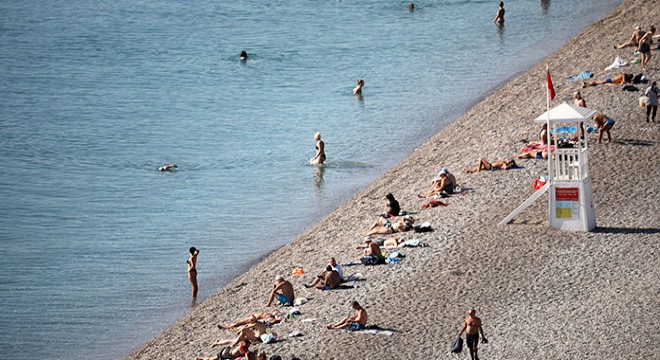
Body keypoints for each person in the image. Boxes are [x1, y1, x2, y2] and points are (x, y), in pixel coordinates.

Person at [217, 310, 284, 330]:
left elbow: (270, 322)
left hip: (254, 319)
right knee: (239, 322)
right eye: (275, 311)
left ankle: (226, 327)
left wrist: (278, 319)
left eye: (276, 312)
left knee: (241, 324)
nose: (275, 312)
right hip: (253, 317)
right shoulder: (269, 314)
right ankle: (228, 325)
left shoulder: (272, 318)